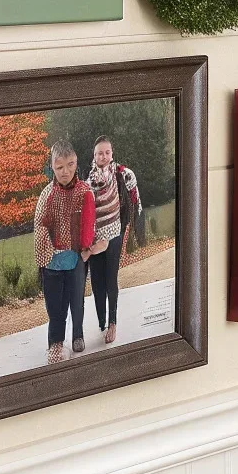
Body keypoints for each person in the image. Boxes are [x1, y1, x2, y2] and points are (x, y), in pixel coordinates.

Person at [33, 141, 96, 364]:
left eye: (70, 165)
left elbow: (90, 223)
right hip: (52, 261)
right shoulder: (47, 195)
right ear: (52, 166)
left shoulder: (84, 192)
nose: (65, 172)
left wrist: (87, 249)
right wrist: (46, 257)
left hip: (77, 257)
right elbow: (40, 227)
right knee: (55, 307)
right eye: (59, 167)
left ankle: (78, 335)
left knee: (76, 300)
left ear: (76, 163)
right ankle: (55, 343)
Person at [87, 135, 141, 345]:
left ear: (112, 154)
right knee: (96, 283)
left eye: (107, 152)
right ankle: (101, 323)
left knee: (111, 279)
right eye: (99, 153)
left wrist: (130, 226)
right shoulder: (88, 181)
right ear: (94, 156)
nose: (103, 156)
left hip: (115, 233)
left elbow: (134, 200)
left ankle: (113, 322)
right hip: (95, 238)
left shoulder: (122, 174)